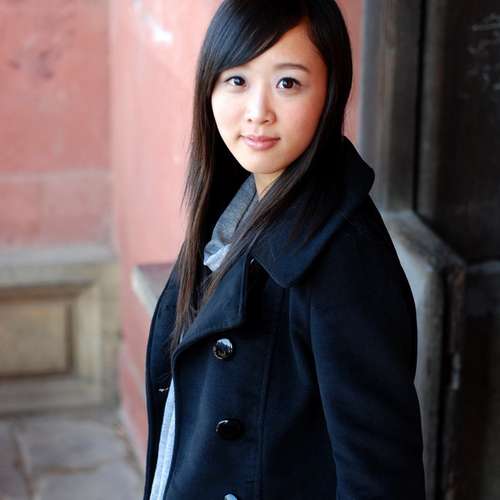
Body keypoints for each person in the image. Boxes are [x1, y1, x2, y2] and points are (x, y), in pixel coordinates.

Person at [143, 0, 427, 499]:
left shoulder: (344, 259)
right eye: (237, 80)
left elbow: (379, 481)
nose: (258, 112)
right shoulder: (231, 209)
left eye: (288, 83)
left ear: (331, 91)